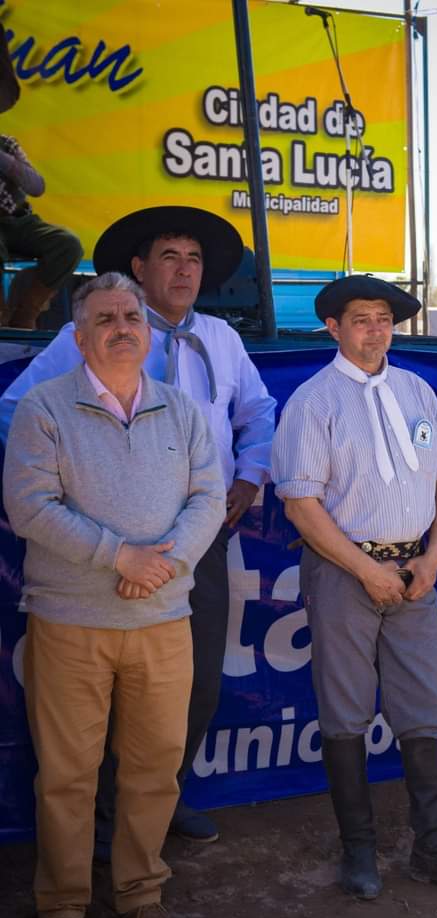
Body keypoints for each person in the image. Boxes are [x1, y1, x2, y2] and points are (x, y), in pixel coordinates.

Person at [0, 205, 277, 846]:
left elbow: (259, 410)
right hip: (94, 553)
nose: (184, 271)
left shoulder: (222, 338)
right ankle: (97, 826)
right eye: (169, 257)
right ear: (138, 268)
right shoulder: (94, 331)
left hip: (194, 542)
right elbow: (16, 410)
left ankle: (159, 802)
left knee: (196, 680)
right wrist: (86, 497)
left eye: (194, 259)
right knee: (92, 701)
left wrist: (248, 476)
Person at [2, 273, 225, 918]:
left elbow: (209, 499)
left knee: (154, 768)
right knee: (67, 775)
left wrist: (163, 563)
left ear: (148, 330)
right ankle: (62, 908)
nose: (122, 326)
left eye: (132, 314)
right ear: (79, 335)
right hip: (71, 623)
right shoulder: (43, 411)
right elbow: (30, 509)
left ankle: (140, 896)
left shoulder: (181, 412)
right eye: (105, 317)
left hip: (161, 620)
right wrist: (118, 557)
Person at [272, 275, 437, 900]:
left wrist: (433, 558)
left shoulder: (417, 391)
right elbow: (300, 504)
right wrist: (366, 570)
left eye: (383, 318)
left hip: (415, 572)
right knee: (344, 712)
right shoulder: (313, 402)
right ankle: (360, 856)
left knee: (423, 712)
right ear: (333, 328)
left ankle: (435, 851)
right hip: (345, 570)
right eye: (361, 318)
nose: (375, 328)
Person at [0, 133, 82, 329]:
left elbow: (36, 186)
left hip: (18, 220)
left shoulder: (7, 144)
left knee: (68, 244)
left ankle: (26, 314)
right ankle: (1, 316)